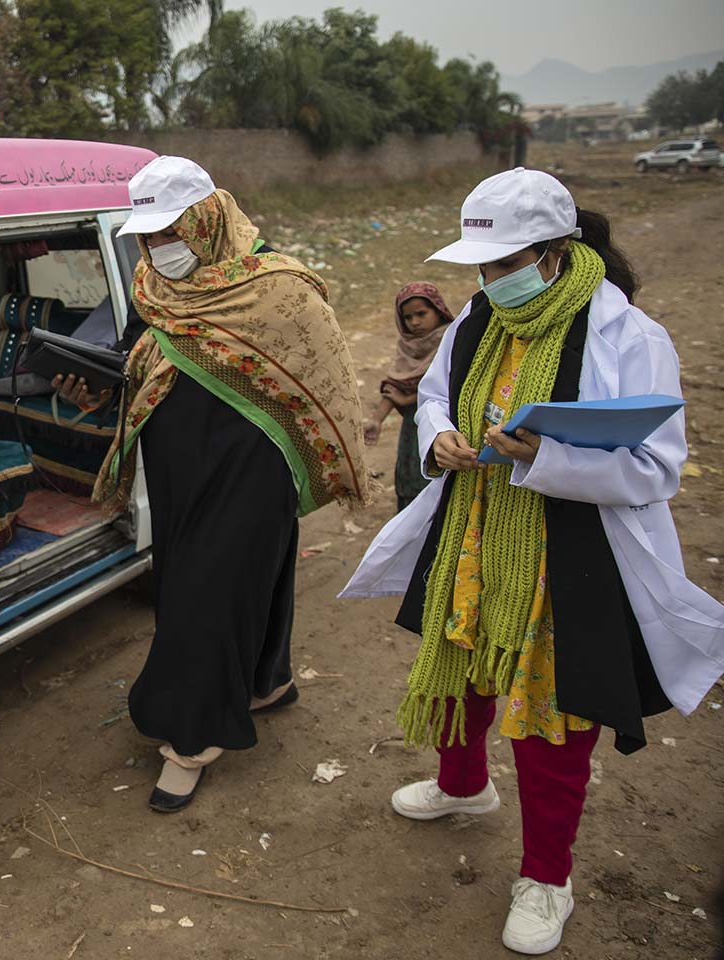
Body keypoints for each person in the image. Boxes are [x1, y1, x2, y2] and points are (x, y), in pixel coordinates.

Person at [342, 167, 724, 955]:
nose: (489, 281)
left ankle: (548, 877)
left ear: (557, 251)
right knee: (462, 660)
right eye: (482, 266)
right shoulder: (477, 319)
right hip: (474, 531)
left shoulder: (628, 335)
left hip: (567, 550)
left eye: (507, 264)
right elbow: (440, 396)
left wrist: (546, 456)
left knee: (550, 709)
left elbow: (654, 468)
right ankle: (463, 787)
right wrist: (439, 434)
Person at [56, 155, 370, 812]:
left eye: (171, 232)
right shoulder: (153, 285)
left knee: (210, 590)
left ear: (206, 218)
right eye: (148, 236)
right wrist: (94, 386)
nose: (159, 248)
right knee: (216, 582)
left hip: (253, 467)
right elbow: (138, 356)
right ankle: (267, 681)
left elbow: (323, 377)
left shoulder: (278, 287)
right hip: (179, 468)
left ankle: (192, 740)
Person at [363, 283, 455, 512]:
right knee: (410, 484)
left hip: (443, 427)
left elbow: (451, 385)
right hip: (412, 431)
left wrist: (409, 400)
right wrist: (376, 420)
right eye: (408, 317)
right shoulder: (408, 347)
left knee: (438, 488)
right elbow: (396, 385)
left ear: (438, 310)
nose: (414, 322)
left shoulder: (452, 339)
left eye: (422, 314)